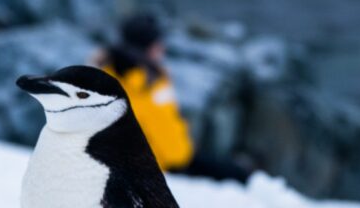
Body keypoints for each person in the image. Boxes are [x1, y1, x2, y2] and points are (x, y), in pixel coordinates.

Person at [94, 14, 252, 183]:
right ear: (145, 47)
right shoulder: (139, 82)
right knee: (237, 174)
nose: (162, 48)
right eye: (157, 44)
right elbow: (163, 140)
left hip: (169, 158)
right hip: (162, 165)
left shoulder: (127, 76)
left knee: (234, 170)